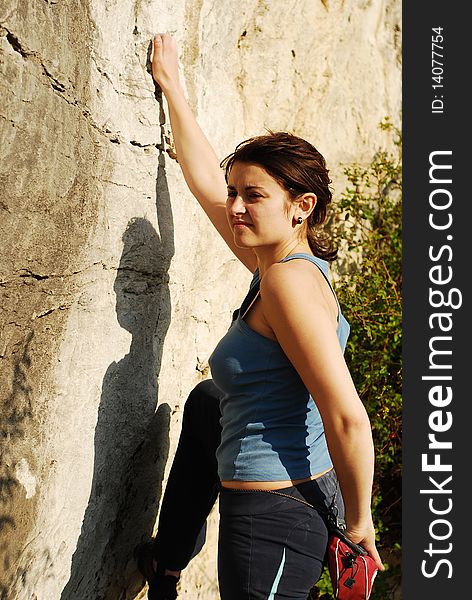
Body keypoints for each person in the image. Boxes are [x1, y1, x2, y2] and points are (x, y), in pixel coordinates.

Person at [137, 33, 384, 600]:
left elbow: (348, 416)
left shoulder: (286, 284)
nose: (236, 206)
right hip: (294, 485)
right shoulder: (281, 261)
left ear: (302, 206)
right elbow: (203, 182)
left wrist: (360, 525)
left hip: (276, 515)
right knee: (207, 404)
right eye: (235, 192)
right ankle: (168, 562)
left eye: (254, 195)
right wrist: (171, 84)